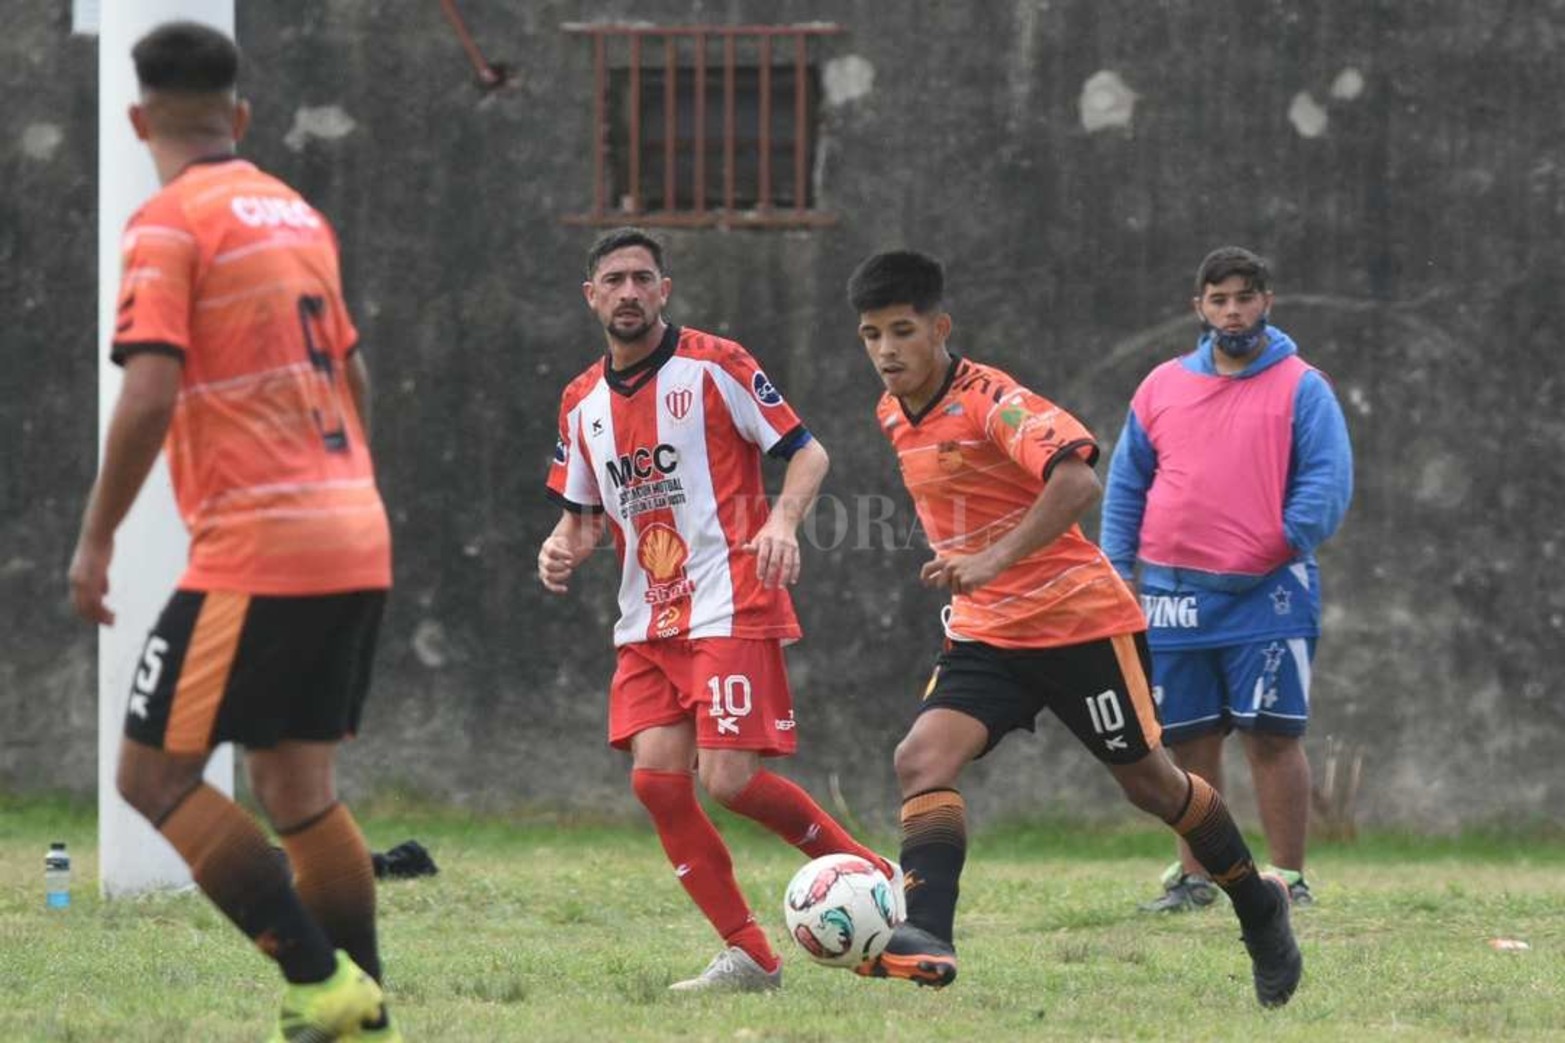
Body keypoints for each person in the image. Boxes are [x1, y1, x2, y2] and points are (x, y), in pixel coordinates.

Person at [845, 249, 1302, 1007]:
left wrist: (993, 557)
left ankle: (1258, 904)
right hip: (987, 631)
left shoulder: (993, 399)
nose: (887, 351)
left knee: (1151, 785)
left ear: (939, 327)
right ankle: (925, 933)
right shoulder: (892, 412)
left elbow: (1077, 477)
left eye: (902, 330)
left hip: (1078, 622)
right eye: (871, 335)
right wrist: (977, 573)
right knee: (920, 757)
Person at [67, 22, 399, 1042]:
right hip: (354, 528)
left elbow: (150, 388)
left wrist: (98, 537)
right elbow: (354, 374)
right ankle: (365, 1007)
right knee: (296, 785)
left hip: (263, 545)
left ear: (137, 118)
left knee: (150, 775)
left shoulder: (167, 224)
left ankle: (318, 977)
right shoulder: (298, 214)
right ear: (241, 116)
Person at [538, 227, 901, 993]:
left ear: (663, 289)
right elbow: (582, 515)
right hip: (646, 621)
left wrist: (780, 522)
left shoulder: (715, 363)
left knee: (729, 779)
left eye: (643, 277)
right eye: (615, 279)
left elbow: (807, 450)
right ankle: (750, 954)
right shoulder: (580, 402)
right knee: (657, 783)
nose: (629, 291)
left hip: (728, 601)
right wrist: (561, 544)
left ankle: (876, 881)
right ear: (592, 296)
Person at [1101, 246, 1353, 913]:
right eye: (1218, 299)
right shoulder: (1160, 386)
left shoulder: (1302, 386)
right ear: (1199, 308)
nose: (1232, 310)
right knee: (1186, 740)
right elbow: (1127, 480)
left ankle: (1287, 877)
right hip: (1171, 597)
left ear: (1267, 302)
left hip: (1268, 596)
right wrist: (1114, 566)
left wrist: (1268, 543)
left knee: (1271, 735)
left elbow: (1327, 482)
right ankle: (1197, 876)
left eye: (1244, 296)